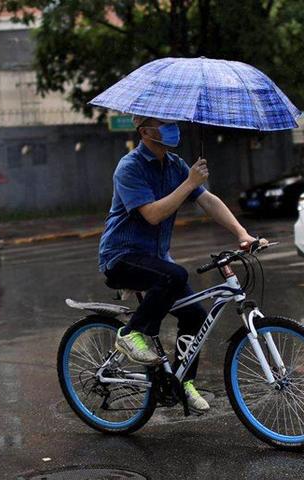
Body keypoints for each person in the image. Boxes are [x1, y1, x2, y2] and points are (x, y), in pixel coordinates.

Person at [98, 115, 266, 412]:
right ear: (145, 131)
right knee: (173, 275)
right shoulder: (130, 167)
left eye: (172, 123)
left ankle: (182, 380)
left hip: (156, 260)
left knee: (196, 315)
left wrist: (242, 234)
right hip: (121, 257)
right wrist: (189, 182)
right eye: (164, 124)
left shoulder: (174, 164)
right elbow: (152, 214)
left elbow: (207, 200)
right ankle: (130, 333)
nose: (172, 128)